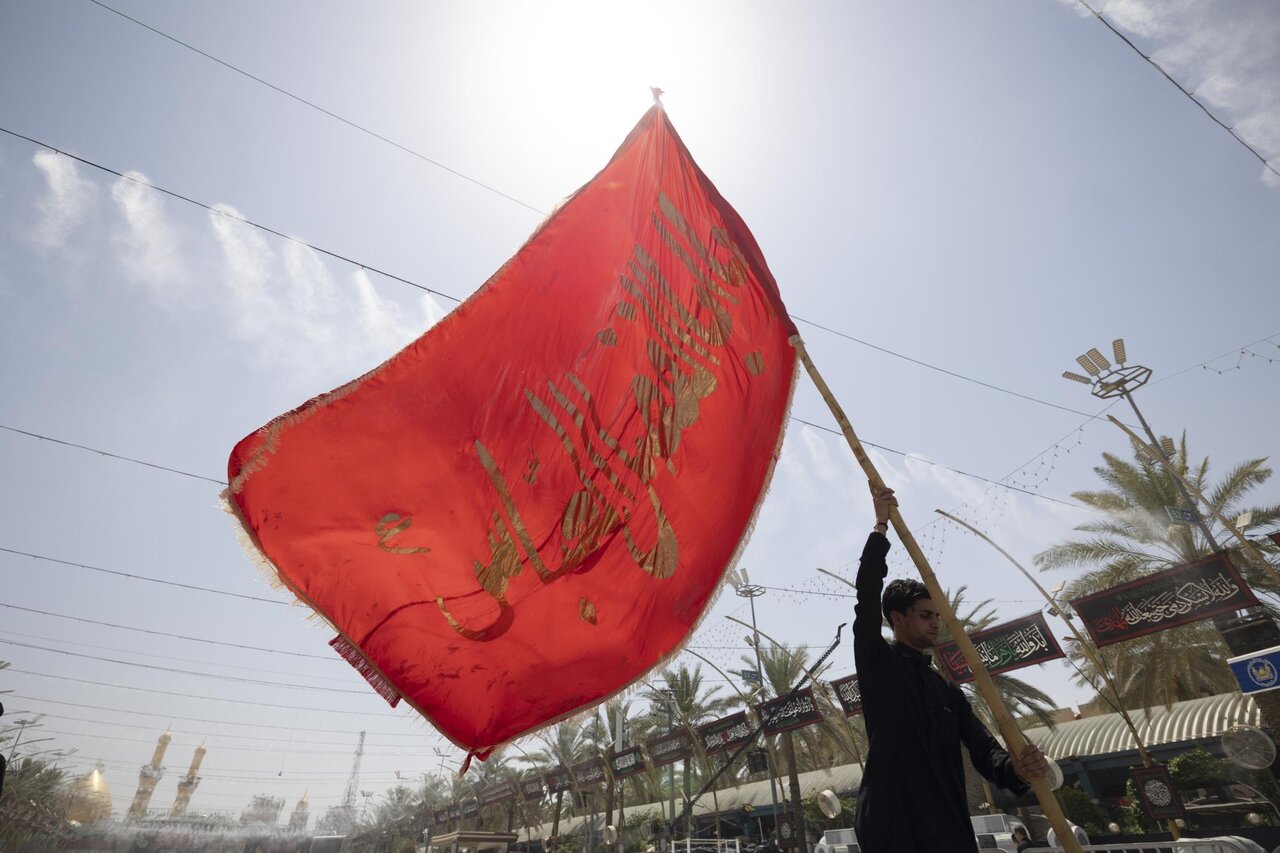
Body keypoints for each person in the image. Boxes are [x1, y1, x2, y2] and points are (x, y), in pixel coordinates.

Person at [853, 484, 1049, 852]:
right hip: (890, 829)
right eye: (926, 616)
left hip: (948, 832)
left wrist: (1018, 770)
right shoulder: (878, 663)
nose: (935, 624)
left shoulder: (947, 692)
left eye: (938, 617)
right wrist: (880, 527)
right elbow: (866, 594)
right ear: (898, 618)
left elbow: (985, 750)